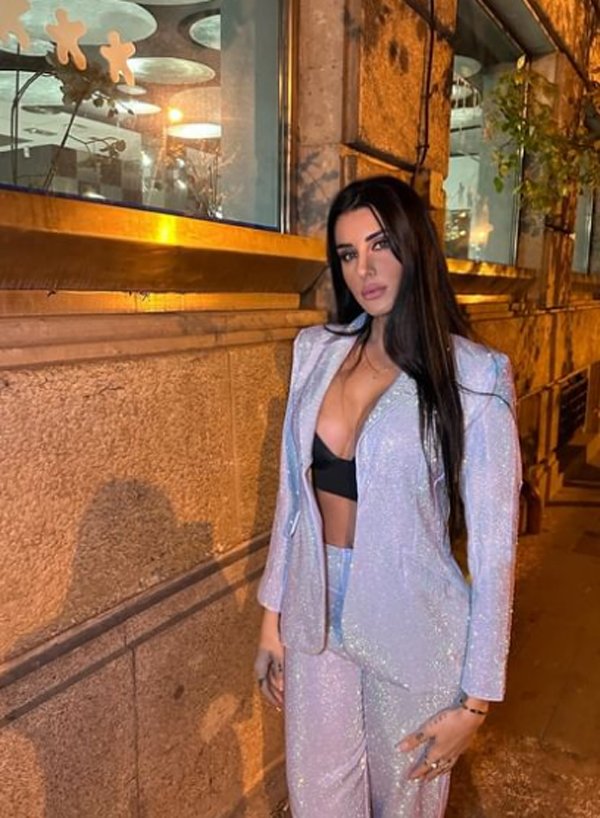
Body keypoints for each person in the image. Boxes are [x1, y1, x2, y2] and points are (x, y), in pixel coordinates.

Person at [254, 175, 521, 817]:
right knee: (318, 802)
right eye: (348, 253)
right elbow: (293, 503)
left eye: (379, 245)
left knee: (405, 807)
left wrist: (476, 702)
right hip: (315, 615)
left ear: (413, 245)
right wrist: (271, 621)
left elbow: (495, 552)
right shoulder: (316, 353)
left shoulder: (474, 376)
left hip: (416, 631)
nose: (364, 270)